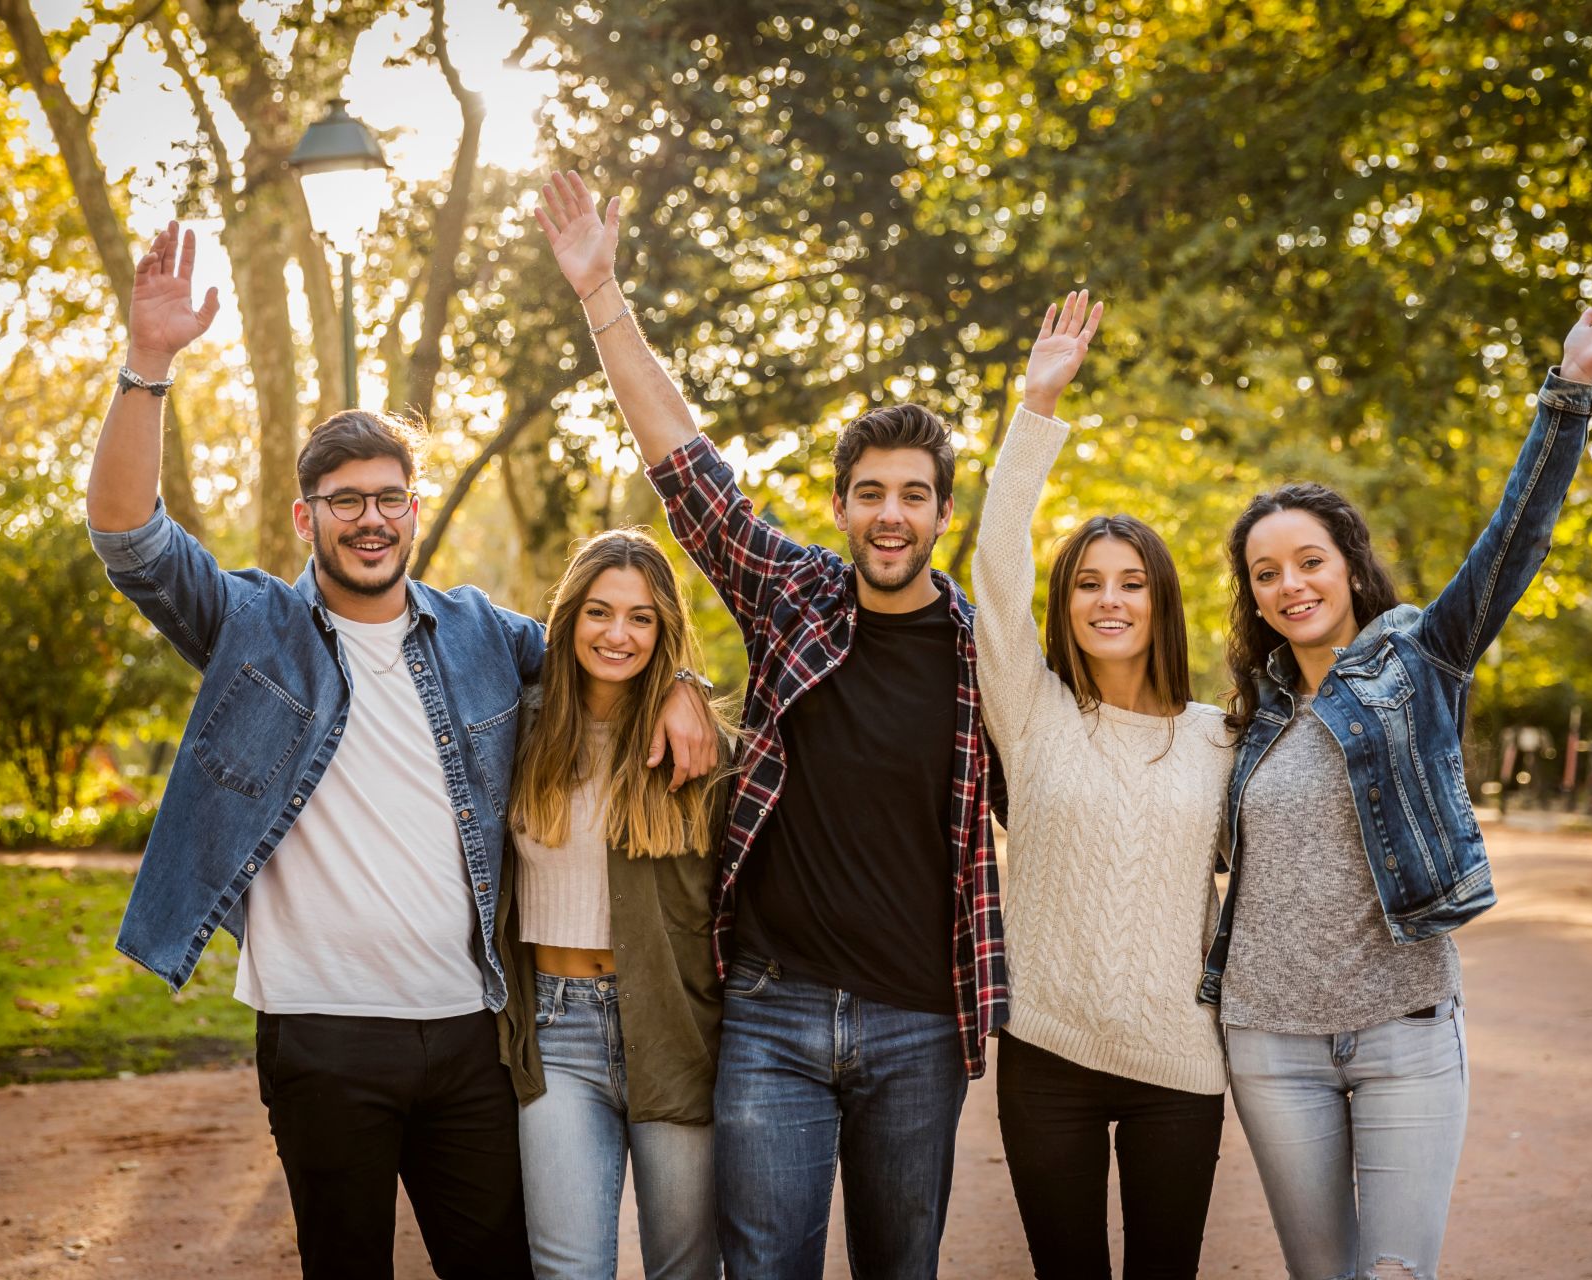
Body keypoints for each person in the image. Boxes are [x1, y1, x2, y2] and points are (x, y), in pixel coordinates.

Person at [85, 221, 717, 1280]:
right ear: (307, 516)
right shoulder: (250, 627)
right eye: (345, 503)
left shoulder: (480, 632)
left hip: (472, 1029)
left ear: (413, 511)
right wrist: (148, 365)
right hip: (322, 1033)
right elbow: (127, 535)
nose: (369, 520)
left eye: (388, 498)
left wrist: (687, 683)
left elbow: (603, 656)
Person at [533, 170, 1007, 1280]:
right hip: (770, 1016)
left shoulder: (991, 661)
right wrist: (601, 291)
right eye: (871, 492)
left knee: (905, 1263)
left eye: (915, 494)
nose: (892, 514)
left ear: (942, 509)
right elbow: (682, 463)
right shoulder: (792, 594)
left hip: (916, 1023)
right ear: (840, 502)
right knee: (761, 1266)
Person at [1203, 284, 1592, 1278]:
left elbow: (1514, 541)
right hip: (1269, 1041)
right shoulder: (1249, 717)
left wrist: (1571, 386)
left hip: (1405, 1028)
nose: (1291, 584)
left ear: (1348, 565)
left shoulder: (1422, 656)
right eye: (1266, 571)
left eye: (1309, 560)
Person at [972, 290, 1233, 1280]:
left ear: (1158, 599)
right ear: (1066, 602)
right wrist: (1036, 409)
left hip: (1181, 1065)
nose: (1110, 598)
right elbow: (995, 567)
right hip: (1047, 1056)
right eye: (1088, 581)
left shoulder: (1220, 736)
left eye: (1130, 581)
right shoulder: (1031, 712)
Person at [496, 528, 736, 1280]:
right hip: (557, 1030)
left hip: (676, 1029)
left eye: (640, 618)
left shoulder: (699, 748)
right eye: (599, 612)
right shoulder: (513, 726)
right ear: (568, 618)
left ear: (664, 629)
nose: (618, 634)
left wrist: (686, 684)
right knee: (567, 1270)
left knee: (685, 1268)